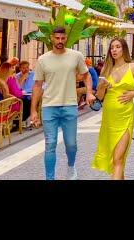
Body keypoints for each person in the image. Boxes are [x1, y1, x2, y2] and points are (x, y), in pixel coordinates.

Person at [29, 26, 94, 181]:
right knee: (50, 144)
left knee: (71, 144)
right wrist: (33, 111)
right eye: (57, 38)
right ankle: (49, 178)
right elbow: (37, 85)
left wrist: (90, 92)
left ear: (66, 38)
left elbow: (86, 76)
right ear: (52, 38)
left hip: (69, 105)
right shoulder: (43, 59)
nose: (60, 41)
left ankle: (71, 167)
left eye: (62, 38)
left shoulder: (76, 56)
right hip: (49, 107)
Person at [92, 38, 134, 180]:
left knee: (118, 158)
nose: (114, 50)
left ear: (124, 49)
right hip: (109, 118)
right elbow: (99, 96)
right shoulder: (106, 69)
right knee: (117, 159)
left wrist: (133, 93)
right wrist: (102, 87)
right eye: (112, 48)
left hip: (126, 116)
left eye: (117, 47)